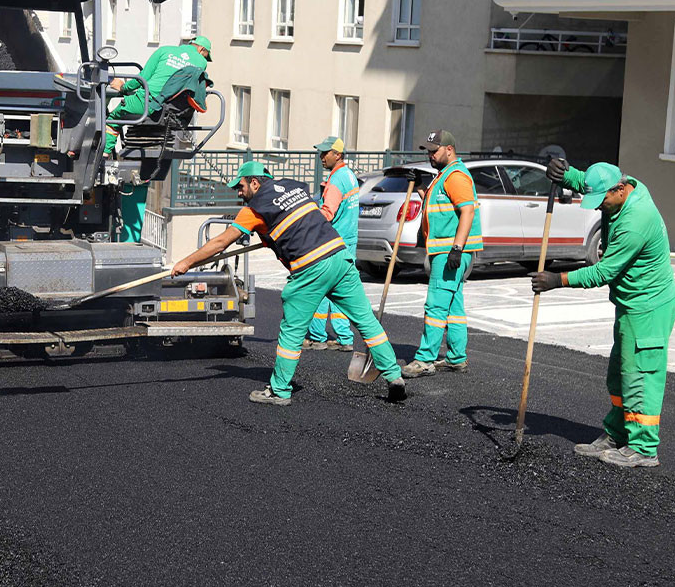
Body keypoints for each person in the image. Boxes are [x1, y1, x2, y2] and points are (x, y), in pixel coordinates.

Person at [170, 160, 406, 405]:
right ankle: (394, 375)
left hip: (311, 266)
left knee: (292, 331)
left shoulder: (254, 209)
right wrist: (271, 237)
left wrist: (186, 262)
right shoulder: (294, 188)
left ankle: (279, 390)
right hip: (339, 256)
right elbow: (298, 221)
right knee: (366, 321)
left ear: (254, 182)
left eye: (240, 187)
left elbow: (220, 243)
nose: (239, 193)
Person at [531, 158, 675, 468]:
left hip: (649, 305)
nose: (600, 208)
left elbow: (604, 272)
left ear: (621, 190)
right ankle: (618, 433)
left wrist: (558, 280)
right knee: (619, 374)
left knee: (641, 375)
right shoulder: (623, 185)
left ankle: (643, 447)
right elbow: (593, 179)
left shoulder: (635, 221)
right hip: (630, 304)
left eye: (604, 201)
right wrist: (567, 174)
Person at [104, 36, 213, 243]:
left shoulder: (164, 51)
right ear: (202, 50)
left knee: (111, 121)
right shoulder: (200, 64)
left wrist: (123, 88)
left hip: (146, 105)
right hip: (170, 116)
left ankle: (103, 157)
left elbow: (142, 78)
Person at [401, 130, 483, 379]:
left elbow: (467, 211)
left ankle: (425, 358)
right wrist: (421, 189)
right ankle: (457, 358)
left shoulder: (455, 176)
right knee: (453, 305)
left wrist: (457, 248)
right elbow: (440, 207)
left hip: (450, 252)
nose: (430, 155)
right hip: (446, 250)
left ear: (449, 149)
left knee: (435, 305)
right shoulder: (443, 176)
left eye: (434, 150)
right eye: (428, 151)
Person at [303, 136, 360, 353]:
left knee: (320, 287)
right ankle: (345, 337)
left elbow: (327, 213)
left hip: (333, 243)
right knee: (340, 289)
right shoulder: (349, 175)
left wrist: (307, 223)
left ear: (338, 154)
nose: (321, 157)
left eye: (325, 153)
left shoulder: (337, 180)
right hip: (347, 241)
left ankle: (317, 337)